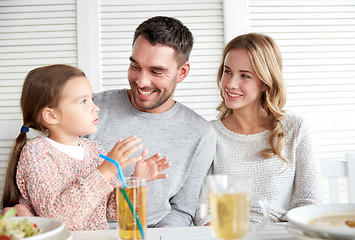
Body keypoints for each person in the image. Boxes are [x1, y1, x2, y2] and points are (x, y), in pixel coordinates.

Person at [1, 64, 170, 231]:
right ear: (51, 115)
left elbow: (111, 211)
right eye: (83, 101)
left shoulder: (95, 150)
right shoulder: (37, 153)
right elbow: (57, 219)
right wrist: (105, 171)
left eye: (92, 99)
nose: (95, 108)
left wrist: (135, 180)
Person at [89, 16, 217, 228]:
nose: (141, 82)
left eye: (156, 71)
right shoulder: (90, 108)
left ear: (182, 72)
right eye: (135, 66)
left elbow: (182, 210)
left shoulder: (201, 134)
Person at [193, 33, 322, 226]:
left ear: (265, 82)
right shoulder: (210, 133)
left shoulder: (296, 128)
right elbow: (203, 209)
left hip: (283, 236)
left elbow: (310, 202)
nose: (230, 84)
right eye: (227, 71)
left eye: (244, 75)